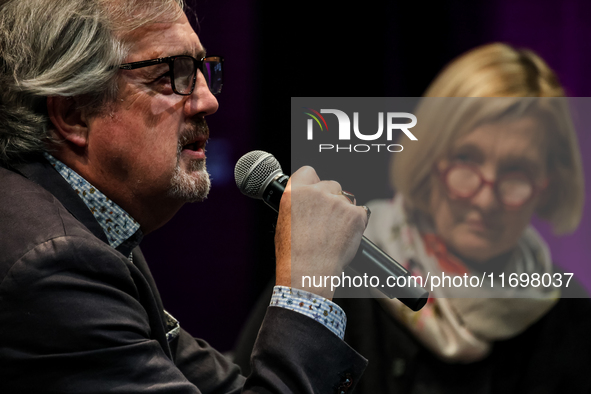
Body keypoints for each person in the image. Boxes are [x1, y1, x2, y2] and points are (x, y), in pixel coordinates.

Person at [0, 0, 370, 392]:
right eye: (169, 75)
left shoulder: (95, 231)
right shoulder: (56, 265)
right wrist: (305, 288)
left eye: (200, 70)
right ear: (74, 113)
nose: (208, 101)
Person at [234, 43, 591, 393]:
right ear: (430, 161)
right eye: (466, 159)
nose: (485, 198)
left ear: (547, 184)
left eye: (517, 172)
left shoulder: (569, 314)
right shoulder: (333, 273)